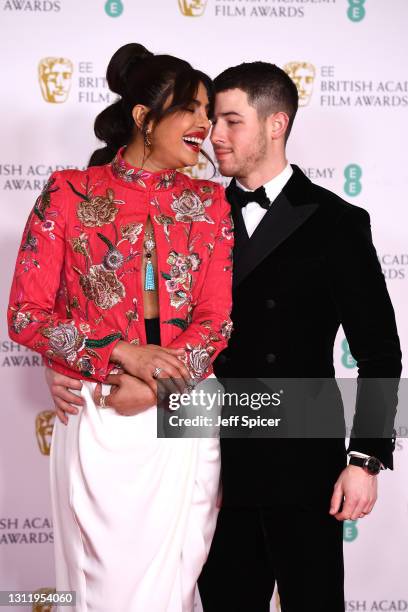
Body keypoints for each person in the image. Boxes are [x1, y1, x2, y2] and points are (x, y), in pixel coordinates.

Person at [8, 43, 233, 612]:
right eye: (191, 108)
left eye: (209, 111)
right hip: (101, 410)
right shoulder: (68, 193)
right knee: (104, 585)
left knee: (173, 583)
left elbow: (215, 319)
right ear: (144, 118)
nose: (205, 124)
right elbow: (26, 315)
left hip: (184, 407)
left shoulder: (210, 203)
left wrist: (159, 385)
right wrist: (119, 353)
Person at [197, 62, 402, 611]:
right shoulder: (194, 218)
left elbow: (379, 349)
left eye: (231, 121)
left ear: (275, 124)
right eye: (214, 119)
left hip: (301, 458)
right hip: (207, 454)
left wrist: (364, 460)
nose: (215, 135)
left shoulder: (336, 222)